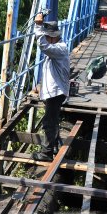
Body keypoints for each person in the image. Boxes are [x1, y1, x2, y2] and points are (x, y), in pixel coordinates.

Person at [32, 14, 69, 162]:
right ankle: (51, 147)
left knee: (48, 121)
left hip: (56, 92)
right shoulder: (57, 49)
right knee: (52, 120)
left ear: (53, 37)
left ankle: (46, 154)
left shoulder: (59, 49)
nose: (46, 39)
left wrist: (38, 27)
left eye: (47, 36)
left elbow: (43, 46)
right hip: (54, 91)